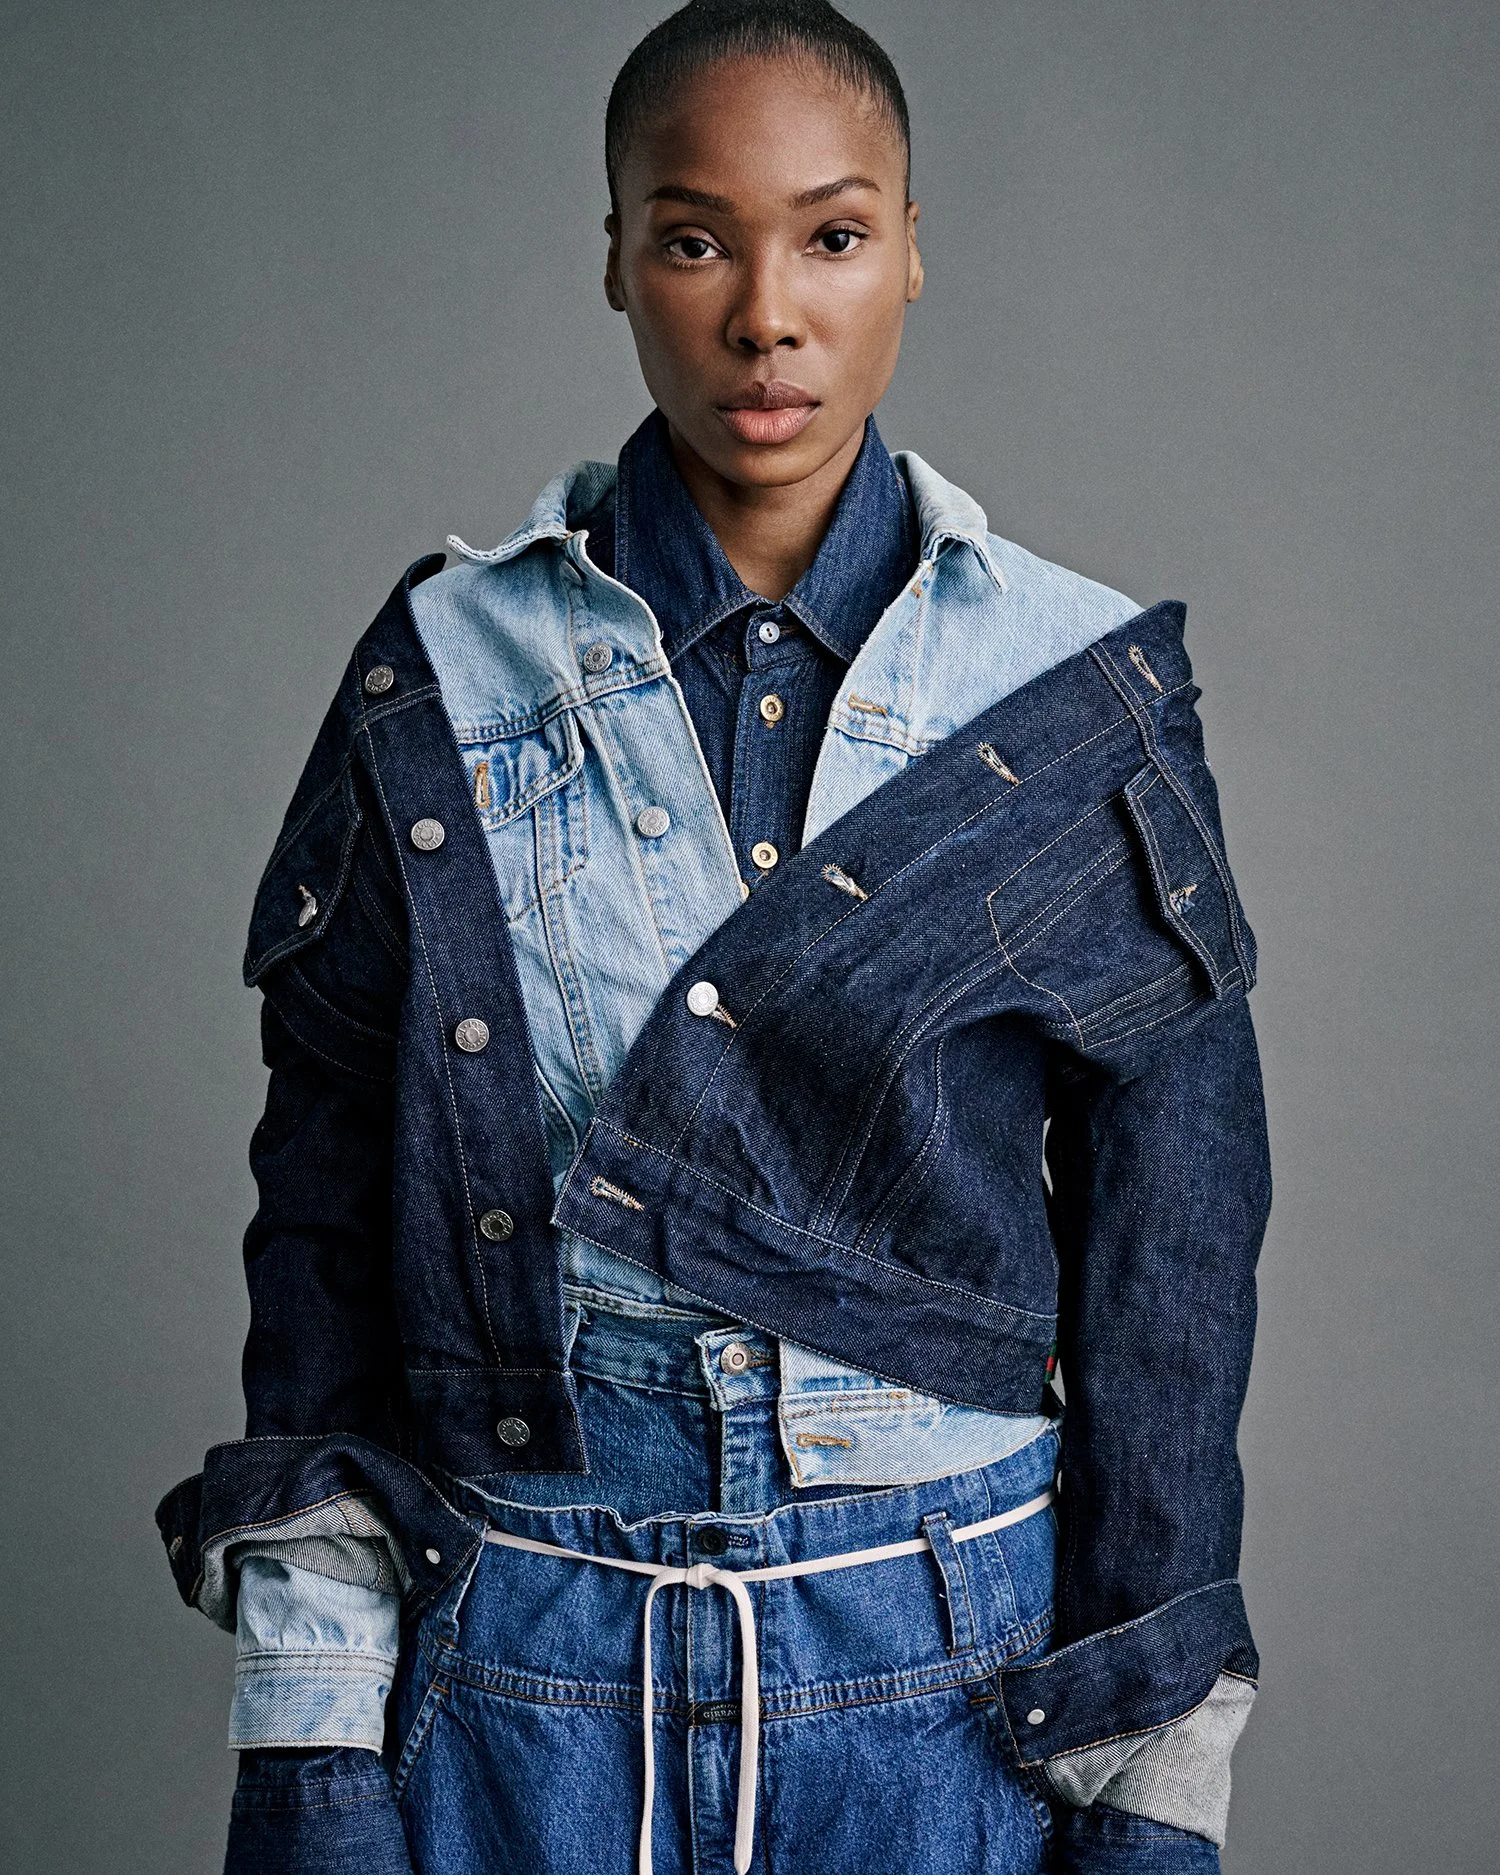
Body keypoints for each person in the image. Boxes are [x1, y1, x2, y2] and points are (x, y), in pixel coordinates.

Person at [156, 4, 1271, 1871]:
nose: (768, 313)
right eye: (695, 236)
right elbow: (327, 1227)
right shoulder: (443, 670)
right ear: (614, 258)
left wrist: (1155, 1785)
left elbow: (1177, 1271)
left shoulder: (1073, 691)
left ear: (914, 243)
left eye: (833, 235)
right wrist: (313, 1734)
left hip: (951, 1674)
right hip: (520, 1658)